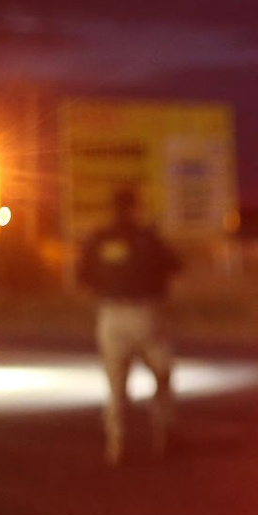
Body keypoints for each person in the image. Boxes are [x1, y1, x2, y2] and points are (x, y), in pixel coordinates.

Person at [76, 187, 182, 466]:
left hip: (110, 315)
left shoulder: (99, 238)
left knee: (116, 384)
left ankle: (116, 442)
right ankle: (163, 432)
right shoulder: (146, 237)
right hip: (145, 314)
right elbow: (175, 265)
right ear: (135, 207)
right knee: (162, 374)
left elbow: (83, 276)